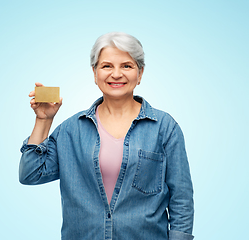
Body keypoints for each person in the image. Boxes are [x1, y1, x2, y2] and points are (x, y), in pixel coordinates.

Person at [19, 32, 194, 240]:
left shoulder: (165, 128)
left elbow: (181, 199)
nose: (116, 74)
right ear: (94, 73)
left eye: (126, 66)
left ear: (140, 73)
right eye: (107, 66)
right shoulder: (71, 130)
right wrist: (44, 120)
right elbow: (30, 174)